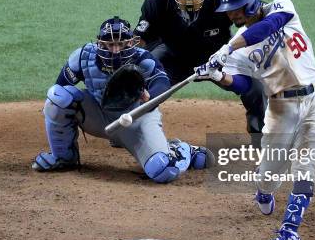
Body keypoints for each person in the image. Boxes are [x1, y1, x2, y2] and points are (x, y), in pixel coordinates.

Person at [195, 0, 315, 240]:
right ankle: (264, 190)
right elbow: (244, 85)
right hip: (282, 109)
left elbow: (268, 26)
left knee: (306, 168)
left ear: (252, 2)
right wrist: (219, 76)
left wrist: (228, 47)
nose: (233, 16)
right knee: (268, 176)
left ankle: (289, 234)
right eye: (229, 12)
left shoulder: (282, 6)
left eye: (237, 9)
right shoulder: (238, 51)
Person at [33, 16, 213, 183]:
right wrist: (54, 111)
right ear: (100, 44)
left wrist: (151, 97)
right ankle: (64, 157)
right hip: (100, 117)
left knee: (162, 171)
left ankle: (179, 150)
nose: (116, 50)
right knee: (57, 96)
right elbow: (61, 86)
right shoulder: (82, 57)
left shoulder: (142, 59)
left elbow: (162, 83)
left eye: (121, 44)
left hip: (136, 120)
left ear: (130, 43)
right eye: (110, 44)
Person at [134, 0, 266, 135]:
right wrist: (131, 65)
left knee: (255, 85)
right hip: (172, 58)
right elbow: (139, 41)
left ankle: (259, 132)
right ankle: (128, 128)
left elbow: (255, 16)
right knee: (139, 80)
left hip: (216, 58)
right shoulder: (156, 3)